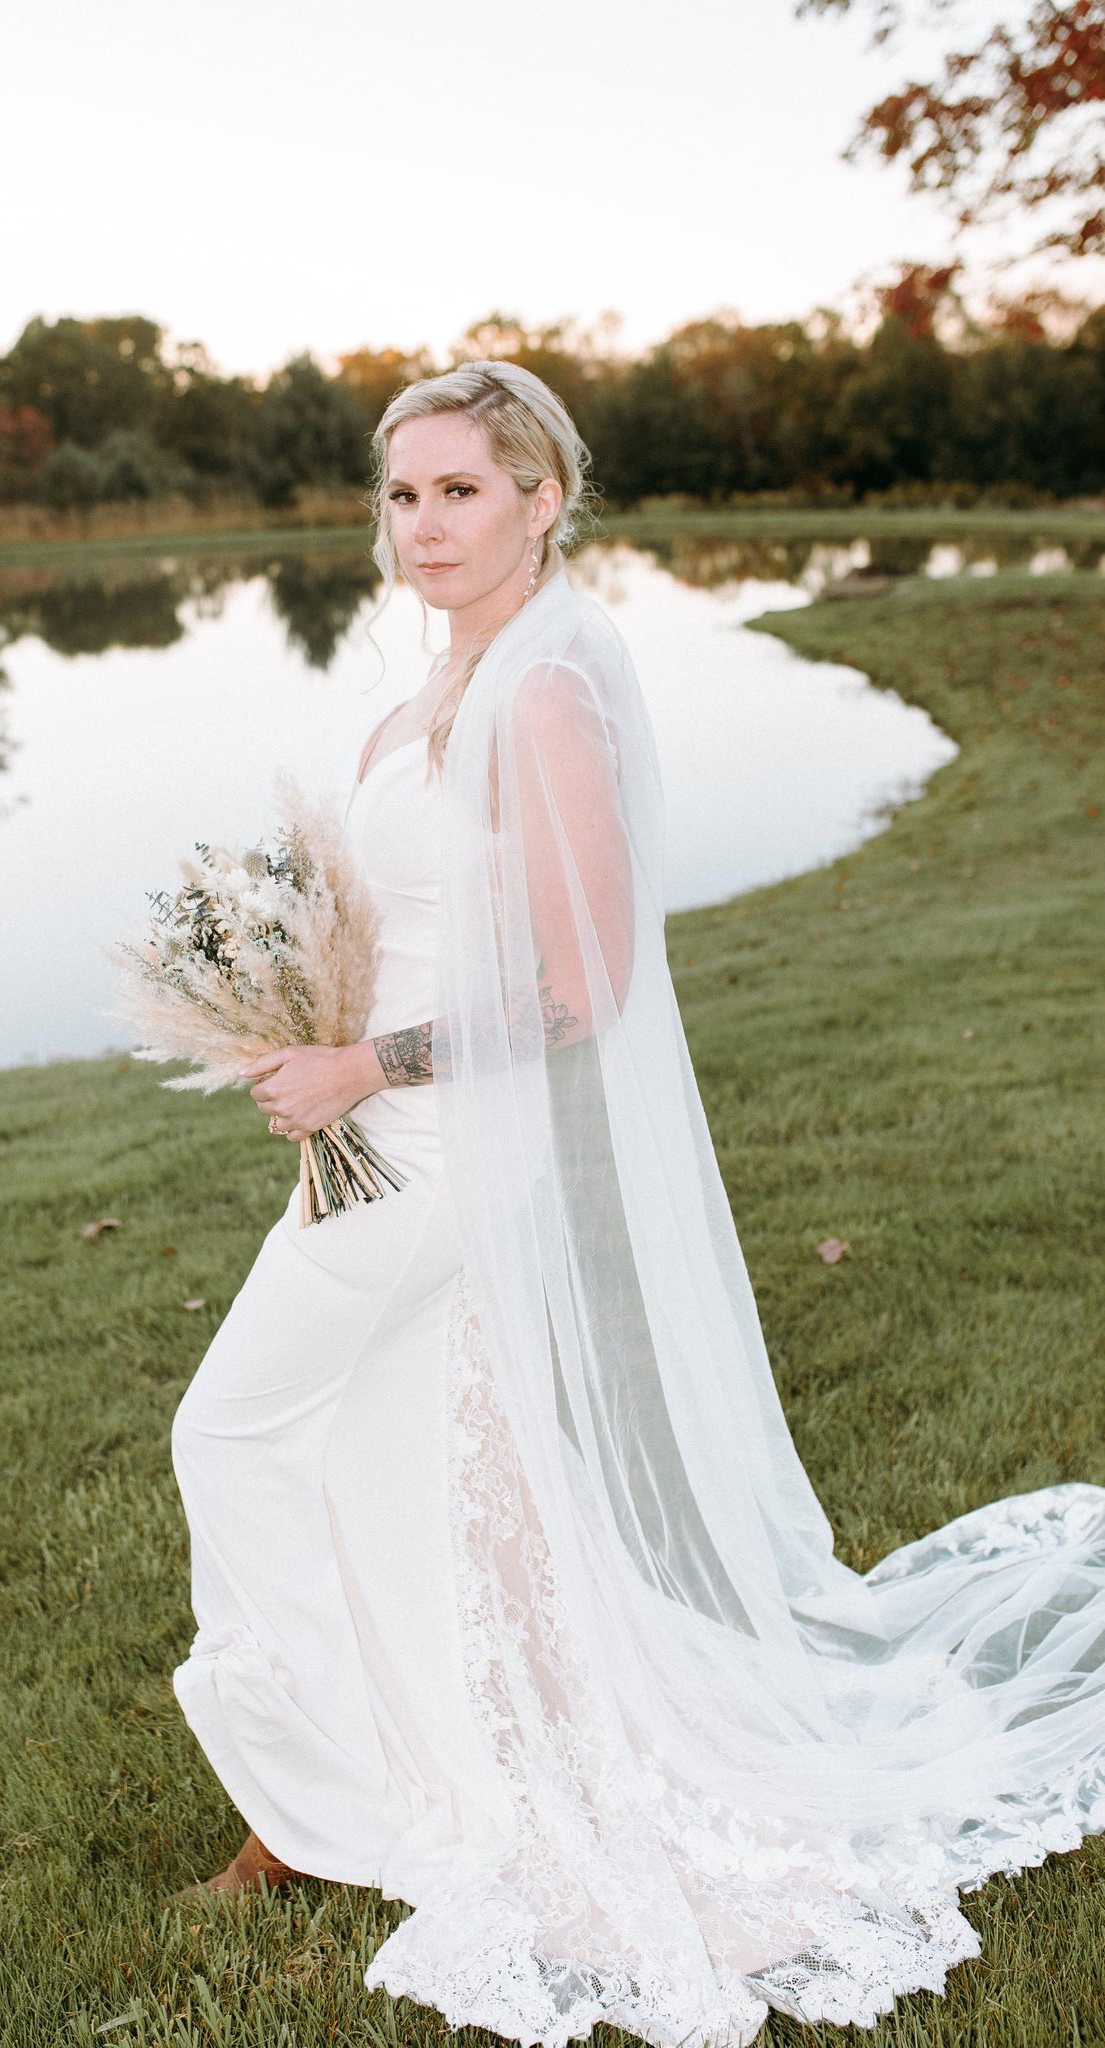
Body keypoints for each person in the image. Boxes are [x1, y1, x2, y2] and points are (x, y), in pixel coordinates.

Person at [168, 360, 1105, 2046]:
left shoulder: (539, 694)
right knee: (393, 1454)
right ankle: (362, 1785)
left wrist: (365, 1065)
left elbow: (584, 983)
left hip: (457, 1152)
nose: (427, 524)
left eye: (462, 489)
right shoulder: (422, 695)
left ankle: (322, 1802)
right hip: (390, 1133)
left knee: (226, 1436)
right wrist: (291, 1030)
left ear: (542, 500)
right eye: (403, 494)